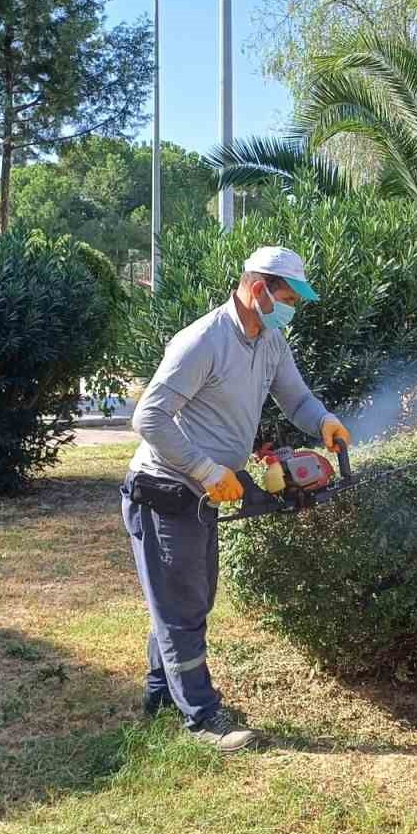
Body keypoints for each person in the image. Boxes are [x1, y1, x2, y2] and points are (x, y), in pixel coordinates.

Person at [121, 246, 350, 751]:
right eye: (287, 297)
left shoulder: (271, 340)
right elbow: (149, 418)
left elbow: (296, 399)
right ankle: (203, 719)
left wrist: (324, 421)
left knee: (189, 600)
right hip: (164, 489)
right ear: (257, 288)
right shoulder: (203, 340)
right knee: (182, 607)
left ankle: (161, 697)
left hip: (207, 489)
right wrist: (204, 469)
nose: (293, 307)